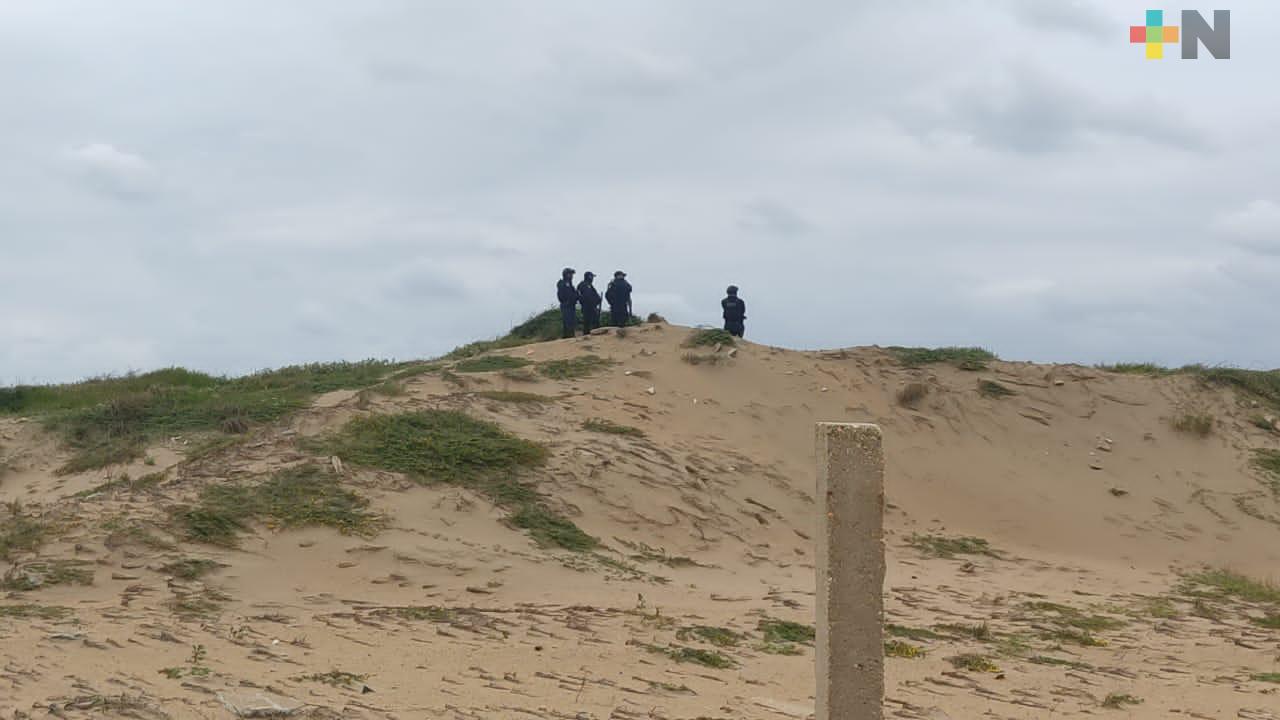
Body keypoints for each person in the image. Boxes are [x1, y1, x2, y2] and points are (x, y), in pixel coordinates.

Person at [556, 267, 579, 338]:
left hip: (571, 305)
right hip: (566, 305)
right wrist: (568, 300)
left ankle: (570, 337)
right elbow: (562, 295)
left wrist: (576, 296)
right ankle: (567, 337)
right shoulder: (562, 283)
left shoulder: (570, 284)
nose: (572, 276)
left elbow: (575, 294)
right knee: (568, 322)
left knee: (572, 322)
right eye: (570, 274)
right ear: (566, 274)